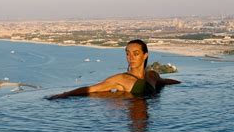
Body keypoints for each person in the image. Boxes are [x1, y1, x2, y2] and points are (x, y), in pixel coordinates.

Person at [47, 39, 180, 99]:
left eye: (136, 53)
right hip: (131, 116)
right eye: (127, 53)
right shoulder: (121, 79)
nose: (130, 57)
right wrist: (64, 95)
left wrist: (182, 83)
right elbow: (91, 89)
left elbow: (164, 81)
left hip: (148, 124)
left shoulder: (152, 75)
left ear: (145, 55)